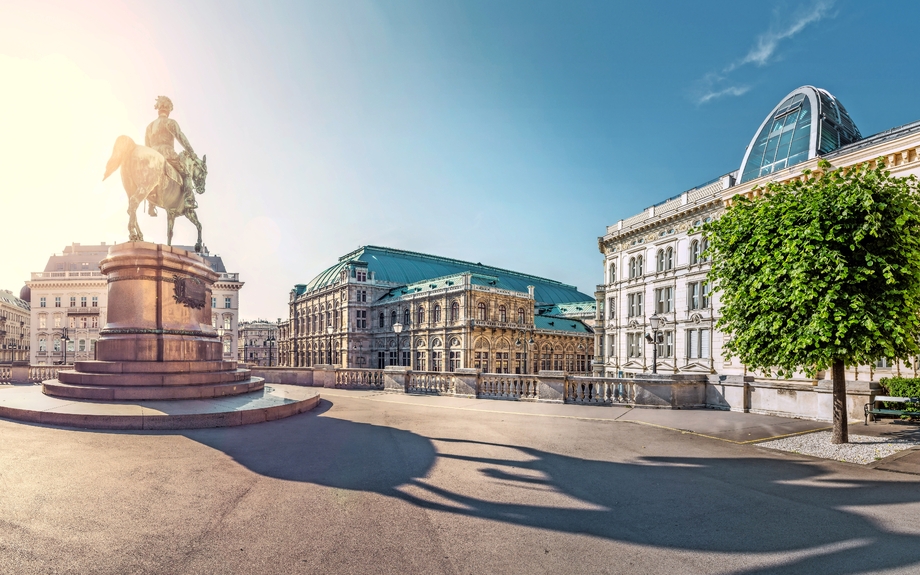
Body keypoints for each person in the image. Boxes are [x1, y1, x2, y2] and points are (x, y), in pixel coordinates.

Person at [145, 96, 198, 215]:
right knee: (186, 173)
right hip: (168, 154)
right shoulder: (170, 122)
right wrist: (191, 151)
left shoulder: (149, 127)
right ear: (168, 109)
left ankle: (151, 204)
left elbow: (147, 146)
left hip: (152, 156)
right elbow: (180, 137)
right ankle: (189, 199)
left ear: (158, 109)